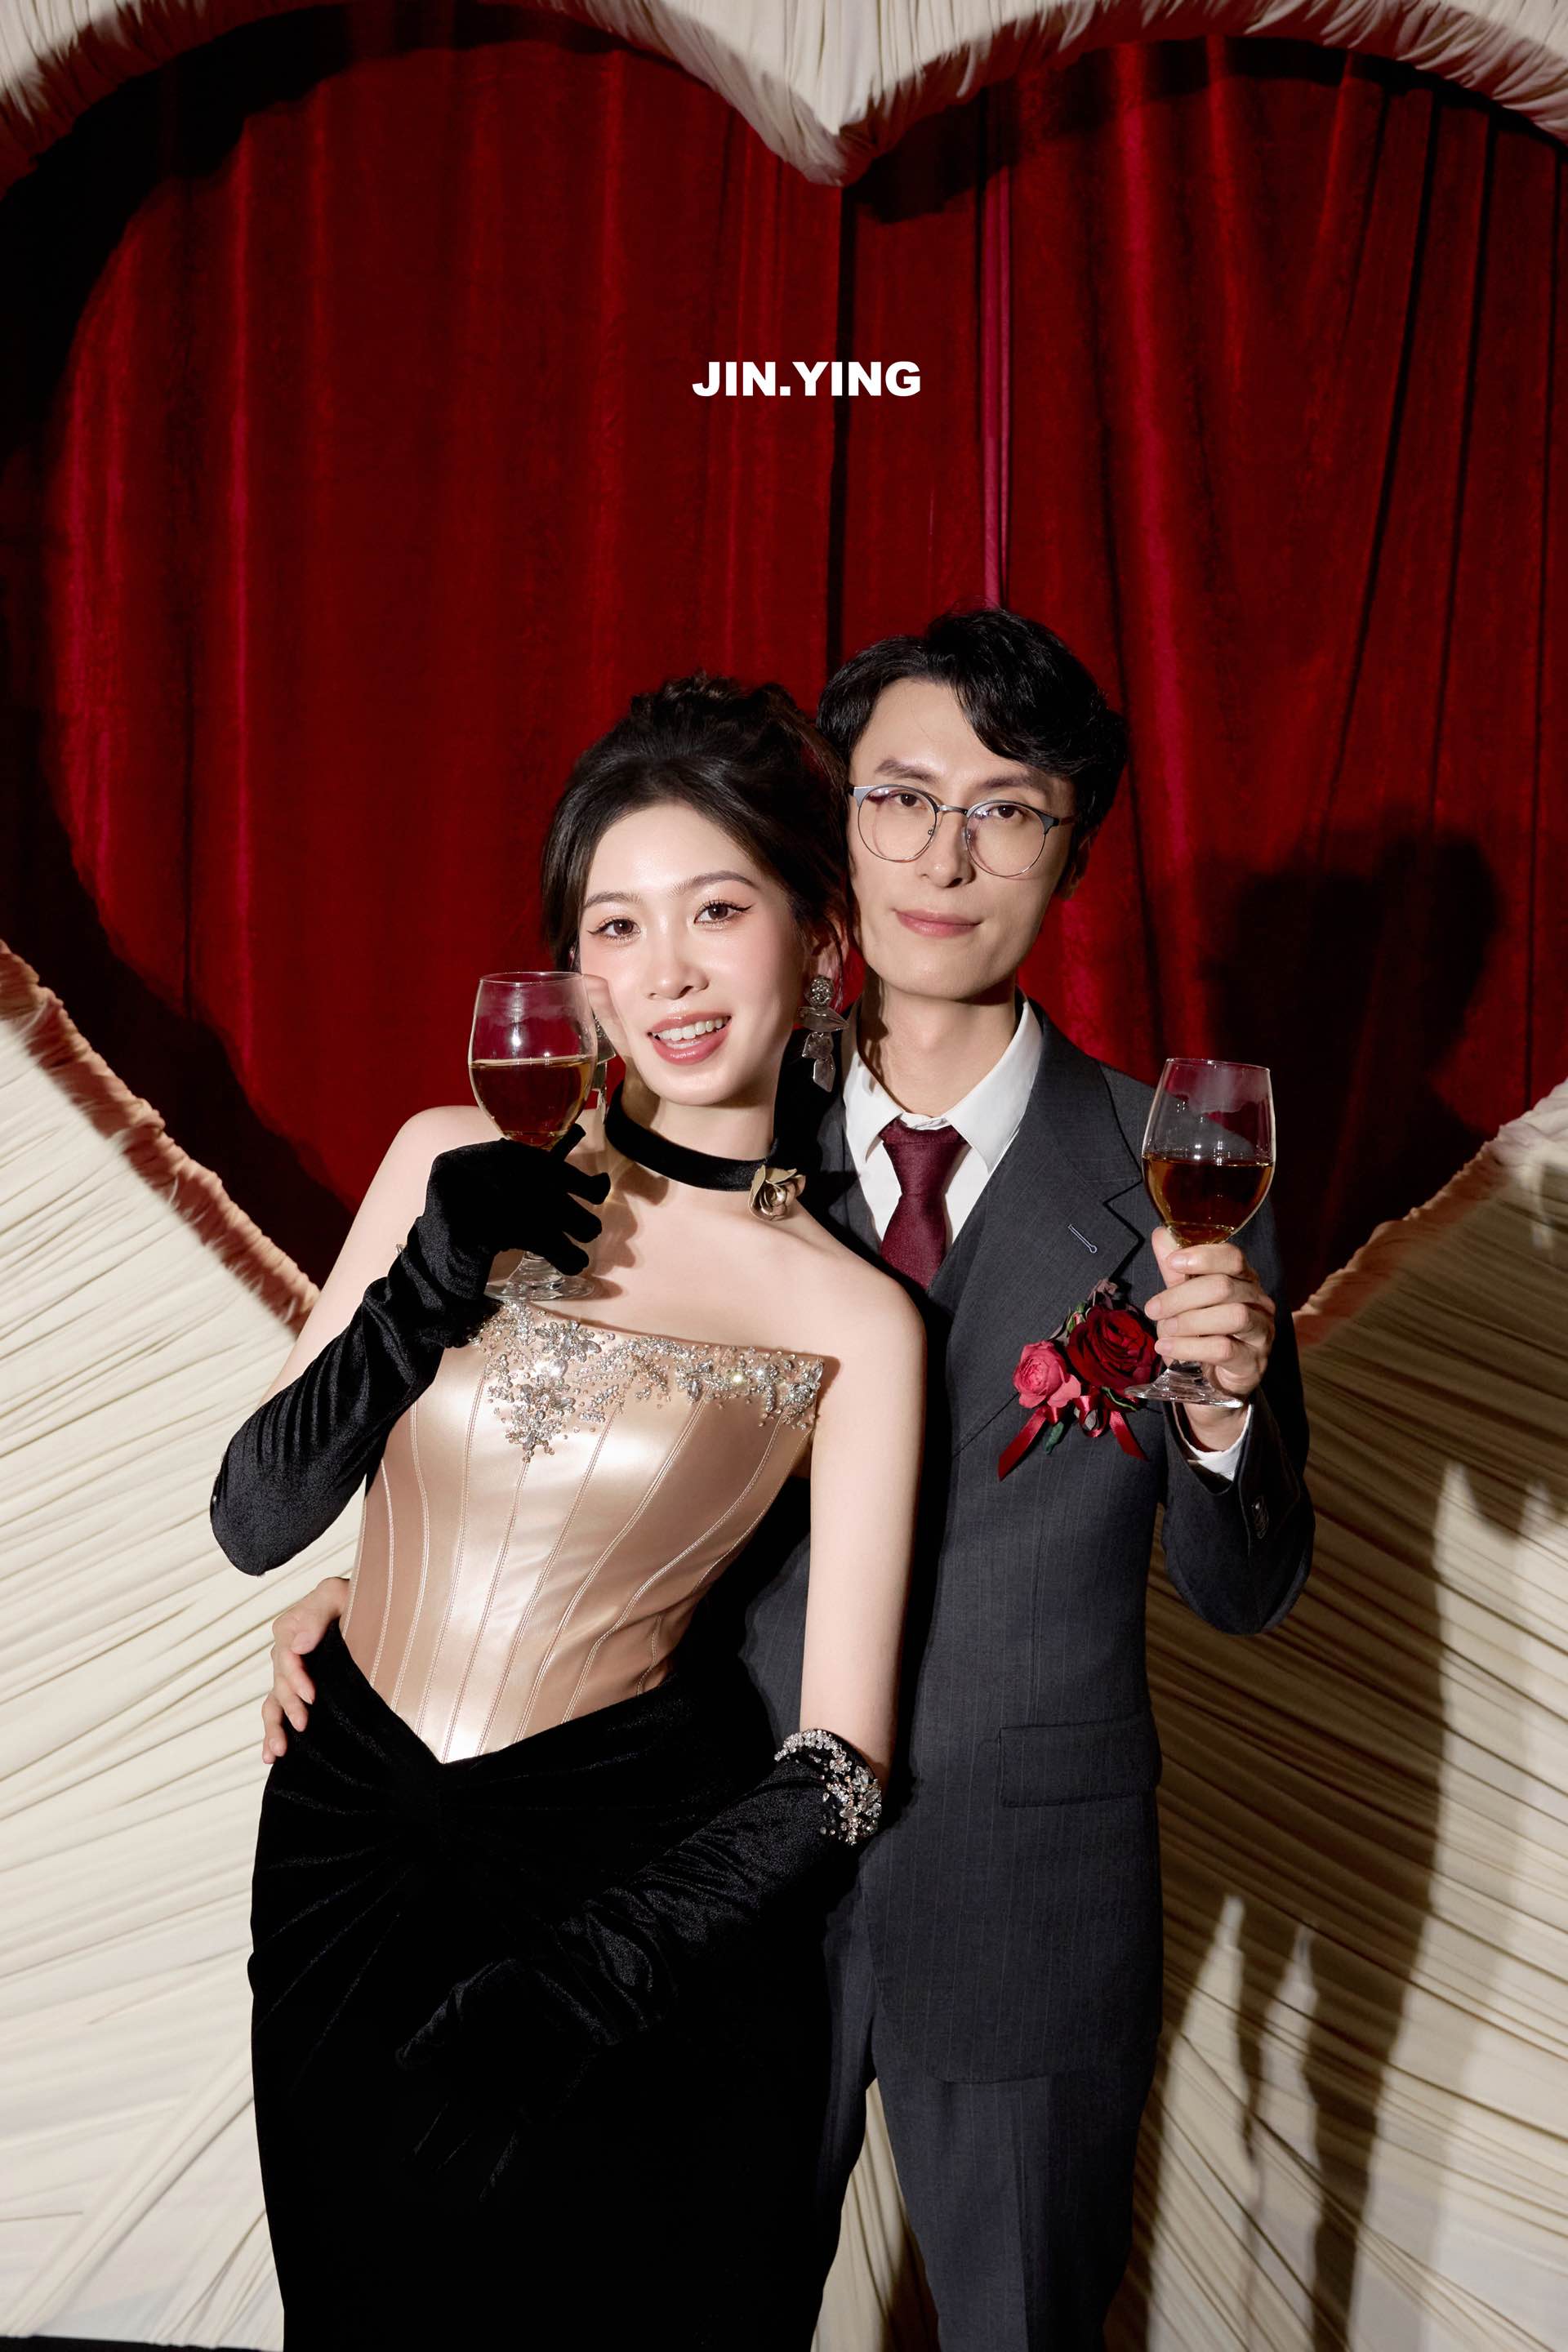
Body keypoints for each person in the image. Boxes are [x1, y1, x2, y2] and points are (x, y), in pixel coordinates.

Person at [264, 608, 1315, 2350]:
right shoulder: (716, 1112)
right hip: (697, 1884)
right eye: (902, 797)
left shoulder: (1173, 1175)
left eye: (1008, 810)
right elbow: (556, 1423)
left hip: (1017, 1909)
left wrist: (1223, 1417)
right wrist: (381, 1593)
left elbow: (1247, 1589)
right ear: (839, 833)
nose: (945, 855)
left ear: (1073, 851)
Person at [210, 674, 925, 2350]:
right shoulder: (439, 1160)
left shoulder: (856, 1318)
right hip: (338, 1855)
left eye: (717, 911)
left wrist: (585, 1982)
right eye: (617, 925)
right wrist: (424, 1288)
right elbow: (257, 1519)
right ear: (576, 969)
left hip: (619, 1913)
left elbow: (841, 1768)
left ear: (822, 943)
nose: (665, 971)